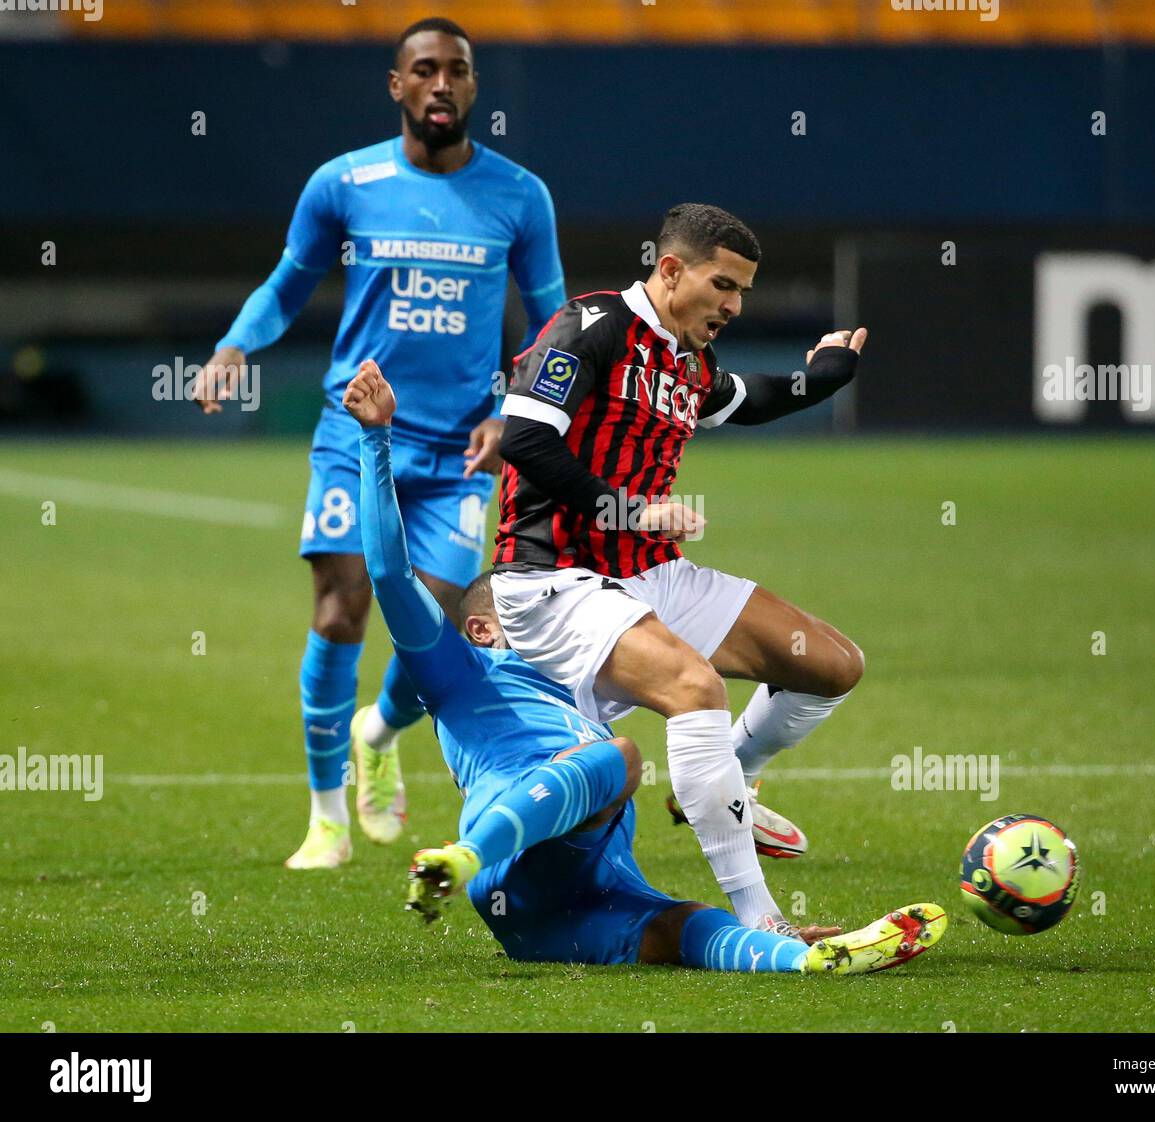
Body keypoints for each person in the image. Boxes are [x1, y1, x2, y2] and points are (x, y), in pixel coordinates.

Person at [344, 357, 946, 975]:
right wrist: (375, 437)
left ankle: (801, 957)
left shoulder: (586, 679)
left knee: (687, 925)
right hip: (508, 857)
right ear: (483, 627)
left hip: (559, 911)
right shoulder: (459, 673)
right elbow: (391, 572)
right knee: (621, 759)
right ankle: (460, 855)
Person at [194, 18, 565, 868]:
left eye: (458, 71)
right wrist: (231, 349)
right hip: (355, 430)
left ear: (474, 88)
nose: (442, 84)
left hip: (460, 449)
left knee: (428, 626)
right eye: (424, 70)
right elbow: (290, 281)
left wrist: (514, 409)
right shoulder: (344, 183)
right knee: (341, 604)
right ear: (396, 85)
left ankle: (378, 729)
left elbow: (552, 322)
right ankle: (325, 818)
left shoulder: (519, 195)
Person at [490, 203, 866, 933]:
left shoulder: (686, 360)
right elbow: (526, 442)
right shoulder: (589, 329)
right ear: (670, 269)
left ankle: (738, 780)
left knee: (831, 665)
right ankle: (762, 924)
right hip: (555, 579)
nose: (732, 305)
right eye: (723, 285)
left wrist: (817, 380)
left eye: (743, 293)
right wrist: (628, 509)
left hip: (649, 572)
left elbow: (742, 400)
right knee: (696, 689)